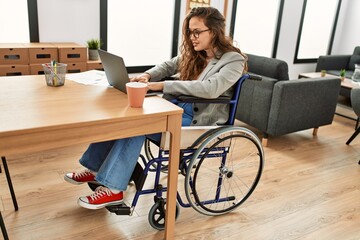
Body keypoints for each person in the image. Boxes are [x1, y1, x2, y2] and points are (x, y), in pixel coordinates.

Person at [64, 6, 248, 210]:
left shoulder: (234, 60)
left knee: (138, 124)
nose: (192, 37)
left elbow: (211, 88)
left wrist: (161, 85)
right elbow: (168, 66)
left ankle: (114, 189)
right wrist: (148, 76)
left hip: (198, 121)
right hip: (175, 107)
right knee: (123, 115)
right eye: (189, 32)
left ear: (214, 31)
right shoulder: (198, 53)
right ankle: (95, 168)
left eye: (197, 32)